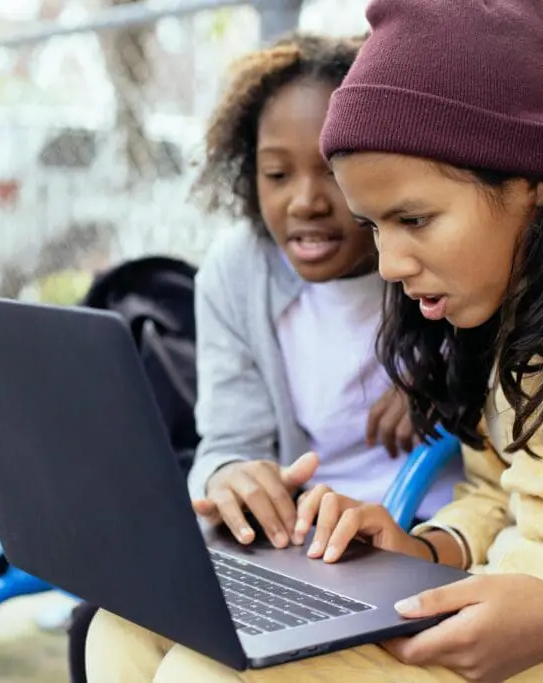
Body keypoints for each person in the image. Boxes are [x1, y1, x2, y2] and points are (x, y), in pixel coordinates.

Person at [85, 0, 543, 681]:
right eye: (375, 226)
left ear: (528, 180)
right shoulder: (512, 281)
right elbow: (499, 494)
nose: (390, 265)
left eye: (413, 218)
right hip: (492, 614)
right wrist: (422, 548)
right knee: (127, 625)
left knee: (202, 671)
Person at [185, 32, 462, 550]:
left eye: (333, 171)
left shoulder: (434, 248)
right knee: (95, 618)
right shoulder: (239, 270)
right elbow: (227, 442)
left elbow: (508, 362)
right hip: (308, 534)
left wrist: (445, 387)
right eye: (277, 174)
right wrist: (230, 475)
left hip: (433, 530)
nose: (305, 202)